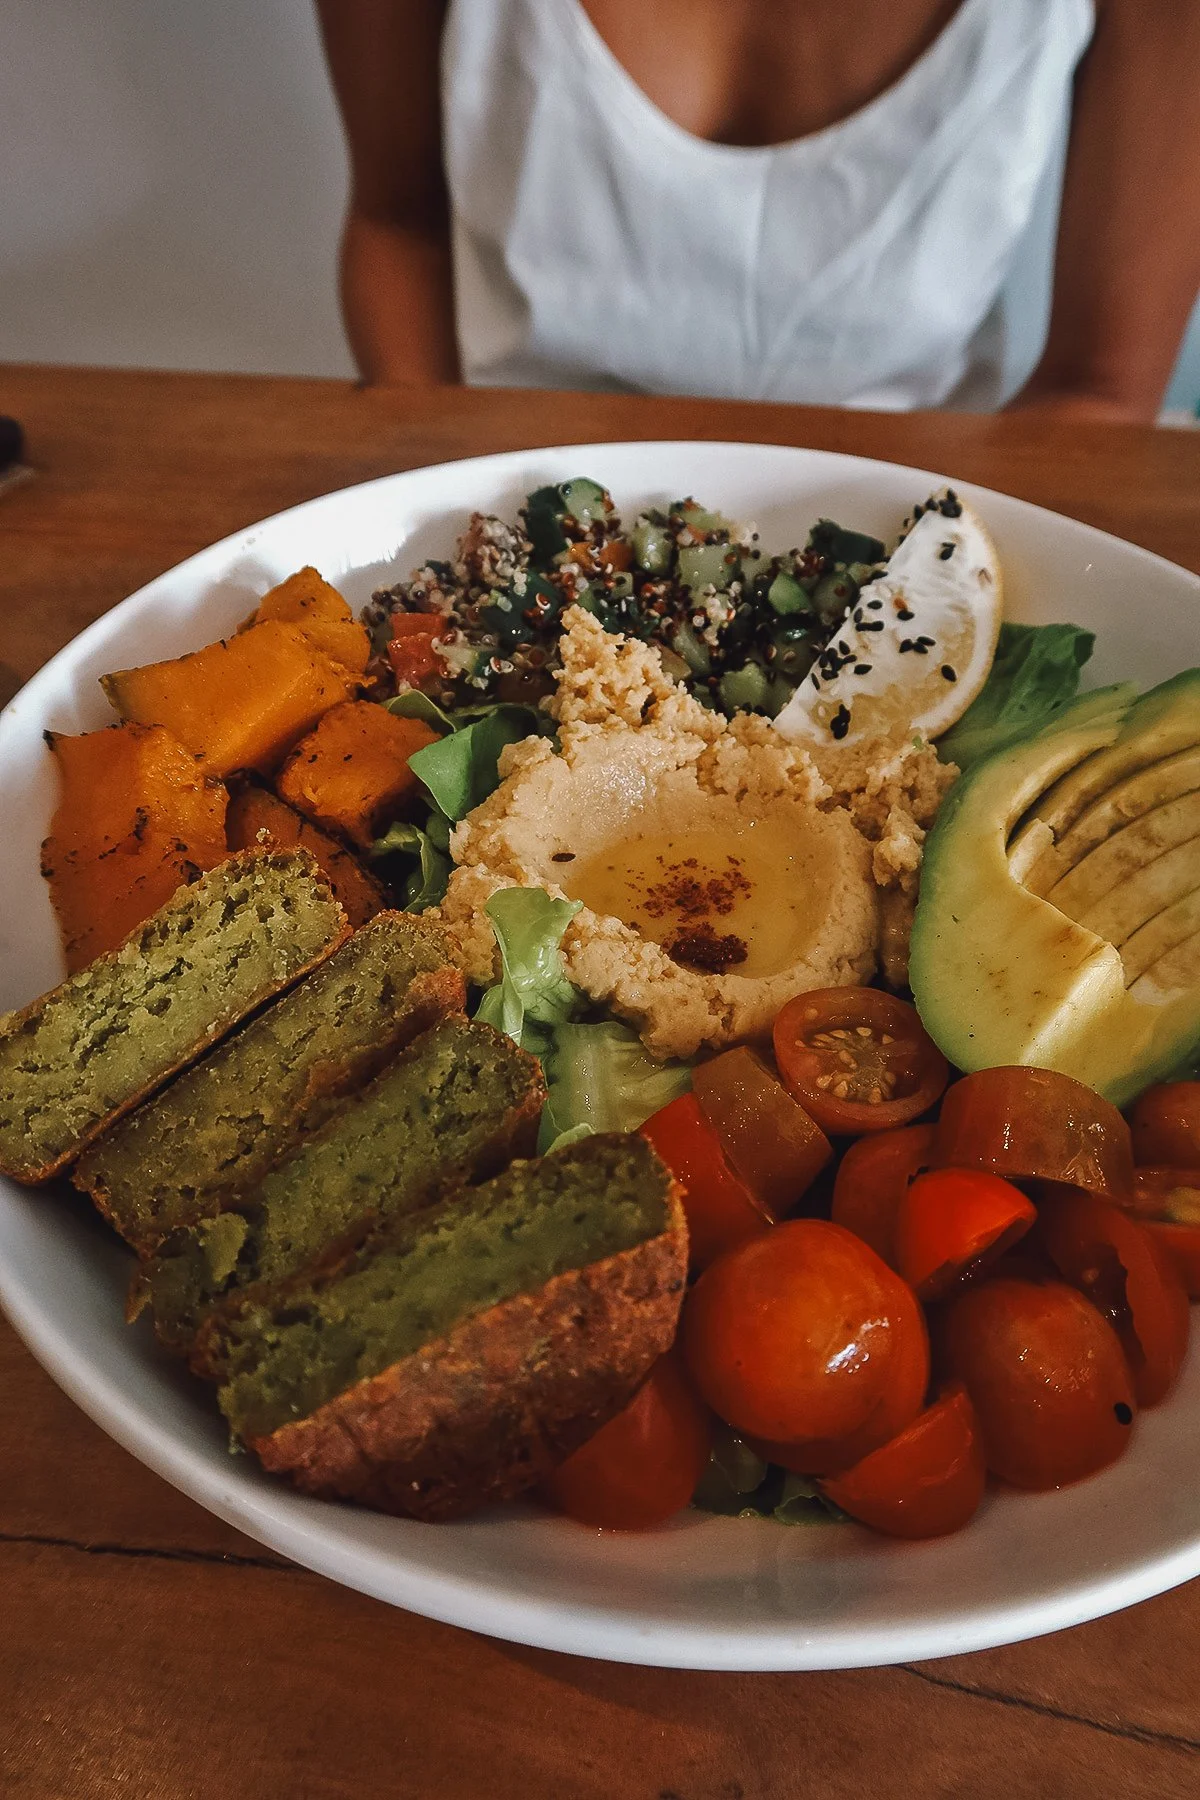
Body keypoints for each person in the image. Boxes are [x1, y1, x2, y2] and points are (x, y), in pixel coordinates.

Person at [315, 0, 1200, 421]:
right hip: (517, 512)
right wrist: (433, 482)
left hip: (910, 539)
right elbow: (401, 225)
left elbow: (1102, 386)